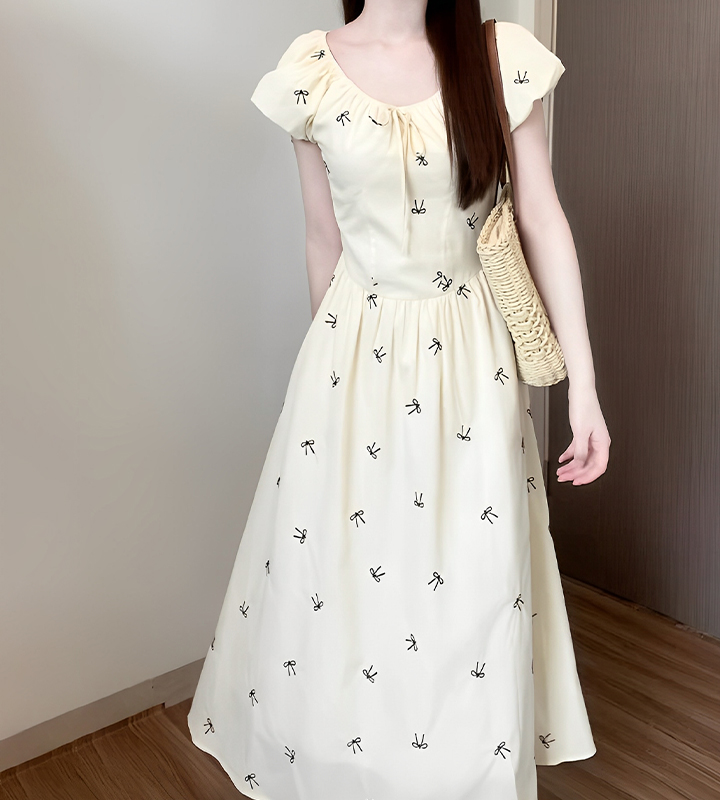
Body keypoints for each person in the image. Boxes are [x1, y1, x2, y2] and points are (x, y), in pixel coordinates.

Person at [187, 1, 610, 797]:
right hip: (350, 361)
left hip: (472, 360)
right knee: (342, 577)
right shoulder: (313, 69)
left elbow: (542, 220)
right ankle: (341, 763)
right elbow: (324, 240)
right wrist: (332, 392)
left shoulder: (495, 57)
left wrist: (583, 390)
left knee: (471, 580)